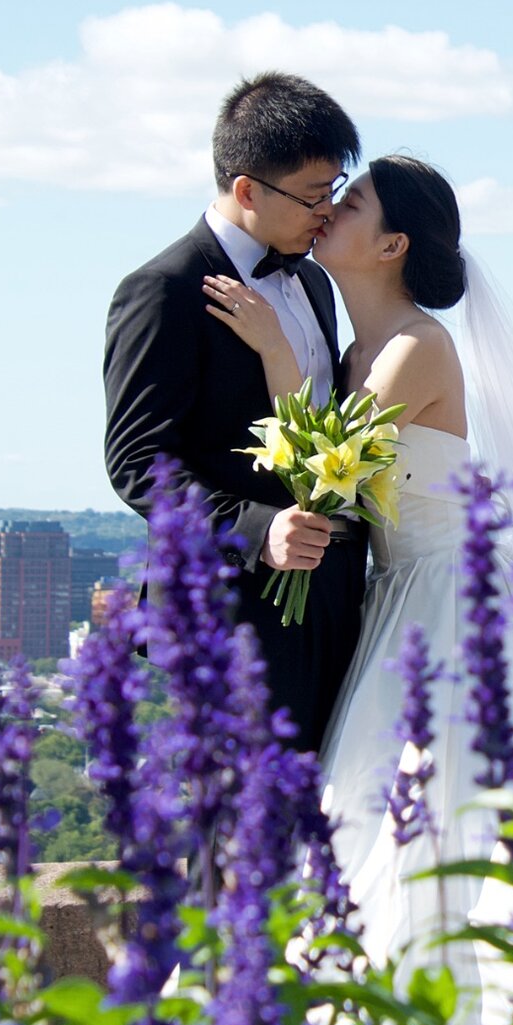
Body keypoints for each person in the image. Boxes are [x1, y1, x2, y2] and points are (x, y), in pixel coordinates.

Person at [203, 152, 513, 1015]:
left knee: (445, 799)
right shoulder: (353, 351)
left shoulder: (417, 347)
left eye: (356, 198)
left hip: (450, 596)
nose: (332, 207)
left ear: (393, 244)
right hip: (398, 595)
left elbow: (323, 474)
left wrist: (268, 347)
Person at [103, 73, 370, 756]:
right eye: (314, 196)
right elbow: (136, 464)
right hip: (231, 605)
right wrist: (257, 529)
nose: (327, 213)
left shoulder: (312, 279)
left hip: (333, 594)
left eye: (335, 192)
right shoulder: (161, 290)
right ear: (248, 189)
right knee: (242, 831)